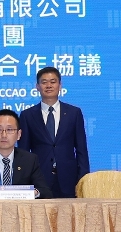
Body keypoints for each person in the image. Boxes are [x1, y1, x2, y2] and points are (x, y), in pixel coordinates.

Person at [18, 66, 89, 198]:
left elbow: (82, 150)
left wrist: (83, 181)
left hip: (69, 179)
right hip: (38, 179)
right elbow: (23, 152)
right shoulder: (27, 115)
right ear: (37, 87)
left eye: (53, 81)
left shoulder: (74, 113)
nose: (49, 86)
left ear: (60, 85)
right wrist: (25, 180)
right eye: (44, 82)